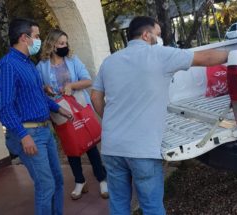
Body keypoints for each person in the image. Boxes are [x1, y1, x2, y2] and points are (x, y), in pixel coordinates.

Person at [91, 16, 228, 215]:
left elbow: (95, 98)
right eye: (158, 34)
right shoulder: (159, 55)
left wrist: (112, 123)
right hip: (142, 149)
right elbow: (205, 58)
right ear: (146, 35)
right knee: (151, 206)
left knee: (119, 203)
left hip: (112, 146)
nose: (159, 39)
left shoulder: (109, 61)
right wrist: (232, 55)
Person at [0, 18, 73, 215]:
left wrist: (58, 108)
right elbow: (4, 108)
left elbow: (37, 95)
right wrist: (23, 135)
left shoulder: (27, 63)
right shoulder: (8, 65)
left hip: (45, 130)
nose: (39, 41)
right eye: (36, 36)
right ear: (24, 37)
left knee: (57, 180)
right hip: (30, 133)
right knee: (46, 185)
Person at [36, 29, 108, 200]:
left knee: (89, 144)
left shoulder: (72, 60)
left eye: (66, 43)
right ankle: (79, 180)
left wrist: (72, 86)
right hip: (59, 111)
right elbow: (38, 88)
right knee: (71, 146)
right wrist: (45, 88)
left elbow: (89, 80)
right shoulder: (41, 66)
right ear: (51, 45)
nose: (65, 46)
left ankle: (102, 179)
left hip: (79, 107)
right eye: (61, 43)